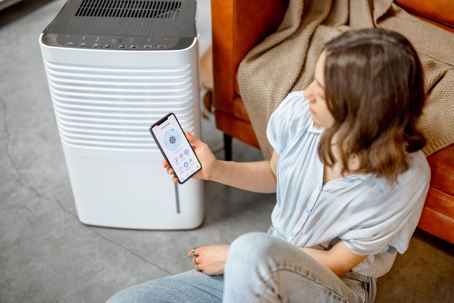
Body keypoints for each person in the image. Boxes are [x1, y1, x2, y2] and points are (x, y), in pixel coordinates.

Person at [107, 28, 430, 303]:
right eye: (313, 80)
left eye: (323, 92)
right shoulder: (301, 115)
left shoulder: (404, 177)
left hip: (336, 285)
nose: (307, 94)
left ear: (361, 112)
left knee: (250, 250)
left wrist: (234, 256)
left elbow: (336, 263)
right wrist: (214, 168)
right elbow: (275, 173)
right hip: (263, 259)